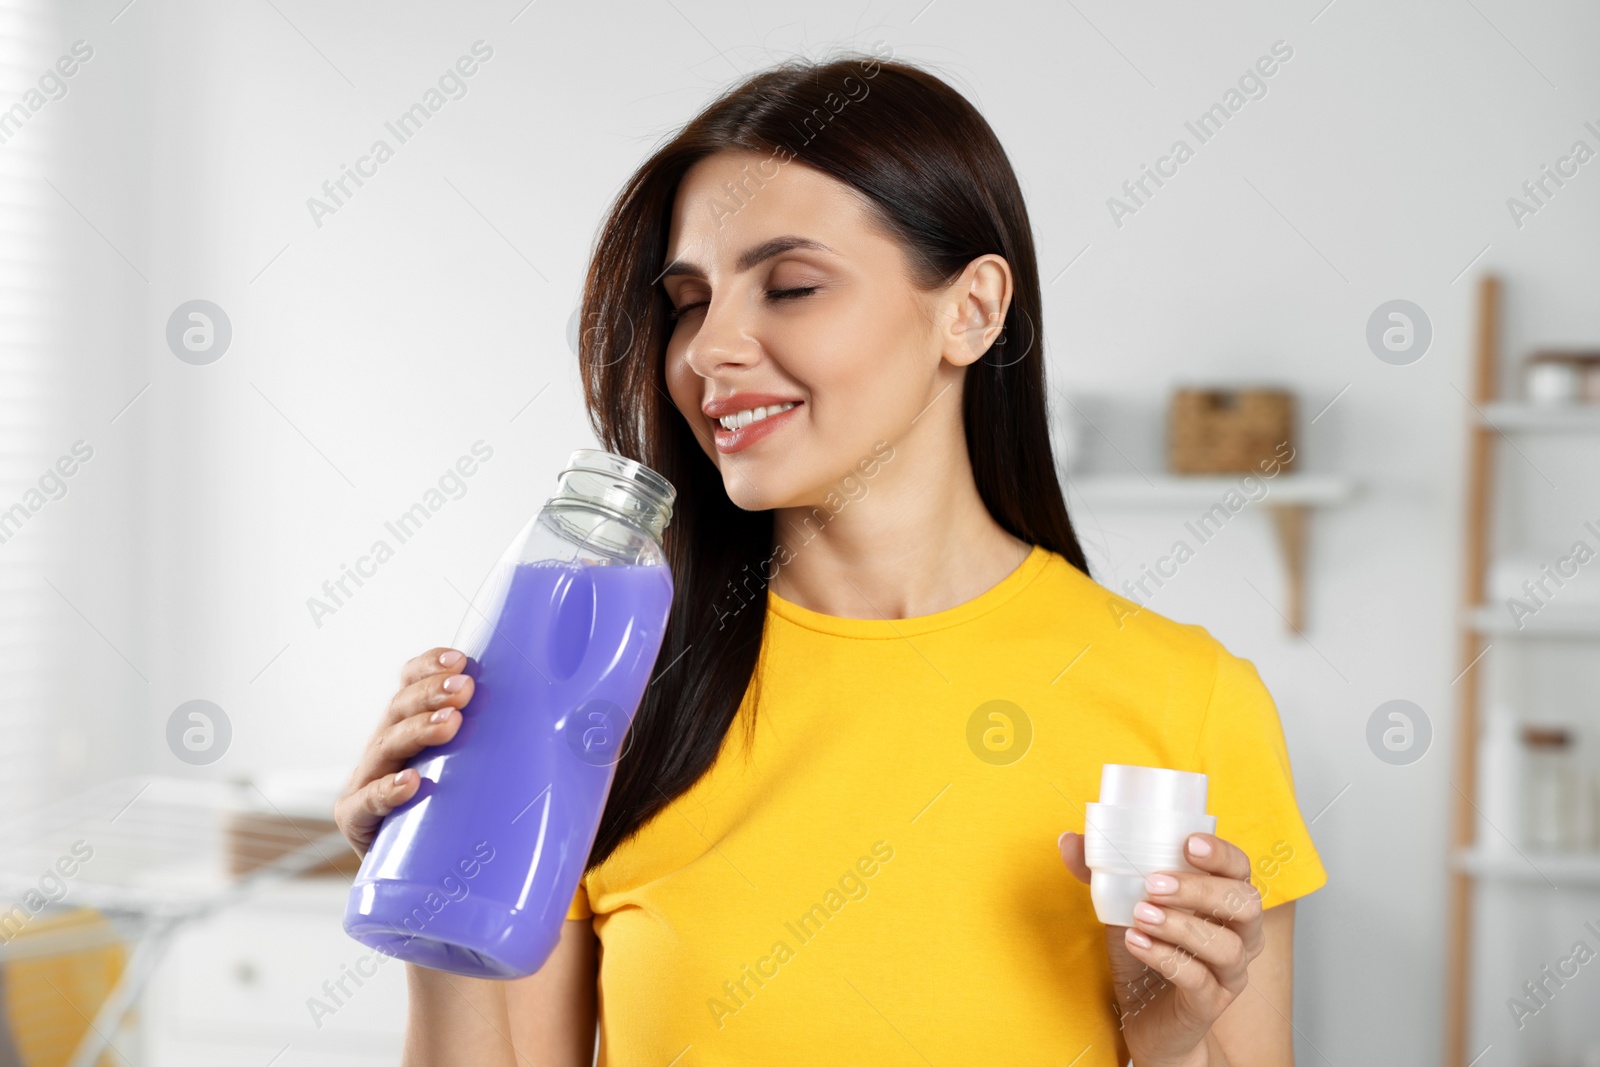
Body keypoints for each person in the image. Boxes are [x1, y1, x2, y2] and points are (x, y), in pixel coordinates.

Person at [334, 49, 1327, 1067]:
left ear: (972, 309)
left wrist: (1165, 1045)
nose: (708, 348)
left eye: (792, 285)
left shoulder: (1187, 699)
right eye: (687, 301)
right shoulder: (603, 693)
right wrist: (432, 892)